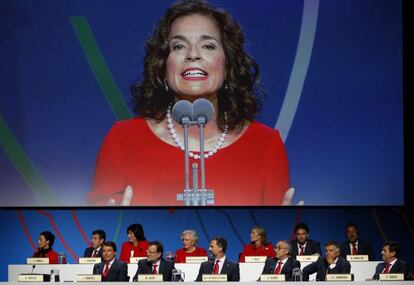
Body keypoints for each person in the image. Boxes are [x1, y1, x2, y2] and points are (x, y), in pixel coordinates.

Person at [88, 0, 294, 206]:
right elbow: (100, 229)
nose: (193, 55)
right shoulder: (123, 139)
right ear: (163, 64)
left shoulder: (266, 144)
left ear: (227, 62)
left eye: (208, 46)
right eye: (179, 46)